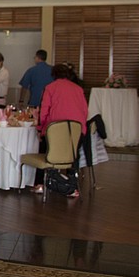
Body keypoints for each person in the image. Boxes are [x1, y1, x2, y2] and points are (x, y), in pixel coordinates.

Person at [34, 63, 89, 197]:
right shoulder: (78, 89)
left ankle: (40, 184)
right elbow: (85, 111)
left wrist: (41, 129)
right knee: (73, 154)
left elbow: (44, 111)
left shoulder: (50, 88)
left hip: (55, 130)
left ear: (54, 75)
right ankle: (72, 186)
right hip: (76, 130)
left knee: (44, 149)